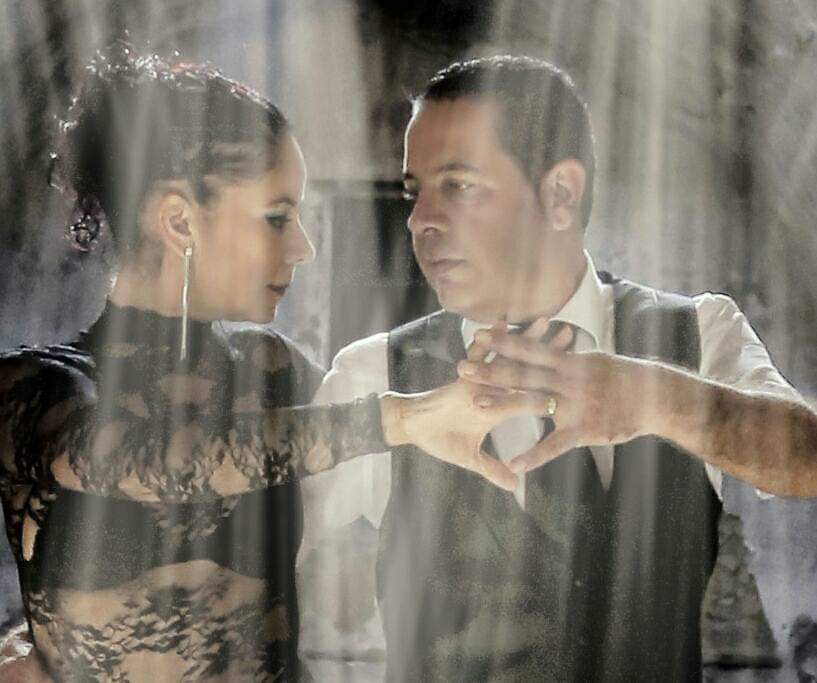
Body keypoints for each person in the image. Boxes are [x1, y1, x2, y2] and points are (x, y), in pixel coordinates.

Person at [0, 45, 540, 682]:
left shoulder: (277, 369)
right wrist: (399, 417)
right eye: (277, 217)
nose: (305, 247)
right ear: (179, 222)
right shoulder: (33, 386)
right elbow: (148, 461)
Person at [301, 55, 817, 681]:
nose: (420, 220)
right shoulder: (376, 374)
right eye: (416, 192)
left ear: (561, 195)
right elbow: (237, 541)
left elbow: (807, 461)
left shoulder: (700, 333)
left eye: (457, 186)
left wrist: (657, 400)